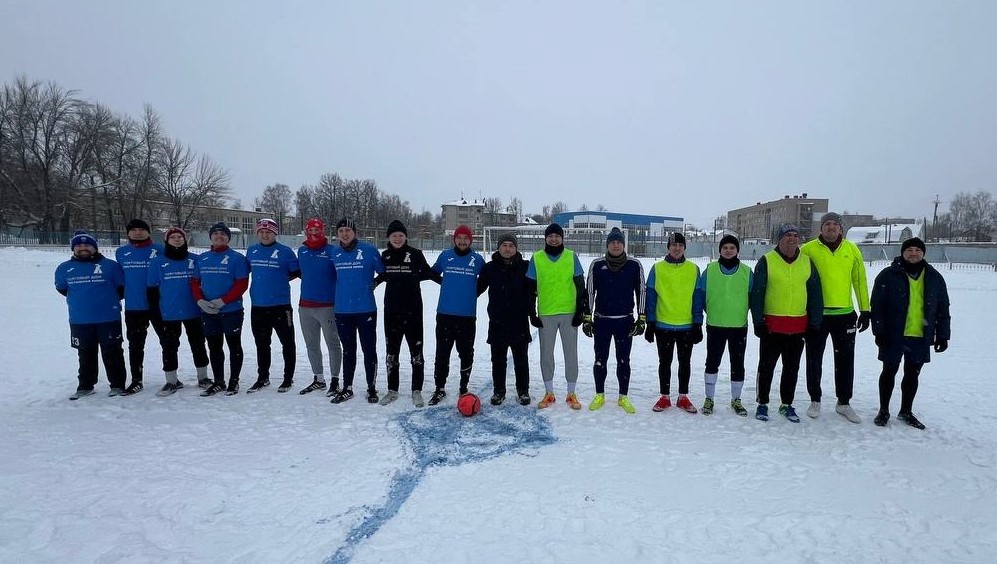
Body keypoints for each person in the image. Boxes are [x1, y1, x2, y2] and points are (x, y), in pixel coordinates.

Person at [871, 238, 951, 429]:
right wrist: (879, 331)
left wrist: (942, 334)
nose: (913, 253)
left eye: (917, 250)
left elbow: (943, 307)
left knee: (912, 375)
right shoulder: (888, 275)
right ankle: (883, 410)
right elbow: (877, 305)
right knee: (889, 371)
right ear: (903, 252)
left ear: (923, 253)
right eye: (909, 250)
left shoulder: (934, 277)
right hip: (893, 334)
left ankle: (906, 411)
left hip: (919, 335)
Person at [800, 212, 871, 423]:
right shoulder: (808, 249)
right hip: (817, 316)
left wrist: (865, 309)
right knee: (814, 358)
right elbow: (800, 281)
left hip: (844, 315)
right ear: (820, 228)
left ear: (840, 228)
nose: (831, 227)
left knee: (845, 361)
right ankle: (815, 399)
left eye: (834, 224)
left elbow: (859, 280)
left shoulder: (851, 249)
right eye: (827, 224)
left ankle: (844, 402)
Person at [750, 224, 823, 422]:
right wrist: (758, 321)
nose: (792, 239)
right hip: (772, 327)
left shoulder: (807, 262)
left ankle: (786, 404)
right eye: (787, 235)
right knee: (766, 367)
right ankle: (762, 403)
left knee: (792, 368)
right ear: (779, 239)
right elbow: (757, 294)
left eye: (795, 235)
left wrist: (815, 323)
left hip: (798, 327)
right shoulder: (767, 261)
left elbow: (815, 295)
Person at [55, 230, 127, 399]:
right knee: (85, 353)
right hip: (80, 319)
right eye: (78, 245)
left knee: (113, 352)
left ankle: (117, 385)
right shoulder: (64, 269)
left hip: (109, 318)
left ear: (94, 247)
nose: (83, 248)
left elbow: (121, 288)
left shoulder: (111, 266)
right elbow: (62, 288)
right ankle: (85, 386)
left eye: (87, 245)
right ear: (73, 248)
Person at [376, 220, 440, 407]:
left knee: (416, 353)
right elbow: (383, 275)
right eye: (394, 235)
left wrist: (447, 283)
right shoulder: (385, 256)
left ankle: (416, 390)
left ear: (405, 237)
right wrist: (372, 283)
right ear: (389, 237)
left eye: (401, 235)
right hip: (392, 312)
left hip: (413, 312)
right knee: (391, 353)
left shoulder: (416, 254)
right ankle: (392, 389)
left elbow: (427, 273)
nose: (397, 238)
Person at [582, 227, 645, 414]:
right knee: (600, 359)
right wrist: (587, 316)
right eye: (612, 242)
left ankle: (623, 396)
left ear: (623, 245)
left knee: (624, 360)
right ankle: (600, 394)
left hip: (625, 321)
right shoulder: (597, 264)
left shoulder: (634, 265)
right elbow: (590, 292)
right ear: (607, 245)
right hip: (602, 321)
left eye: (618, 242)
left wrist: (641, 318)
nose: (615, 245)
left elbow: (641, 290)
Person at [527, 223, 588, 410]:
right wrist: (532, 312)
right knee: (546, 354)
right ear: (545, 238)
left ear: (562, 238)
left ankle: (571, 393)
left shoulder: (571, 256)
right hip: (546, 313)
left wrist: (580, 311)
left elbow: (580, 286)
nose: (554, 239)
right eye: (550, 236)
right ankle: (549, 392)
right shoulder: (536, 258)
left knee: (571, 354)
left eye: (557, 236)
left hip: (569, 313)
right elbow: (530, 289)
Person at [645, 232, 704, 414]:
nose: (677, 248)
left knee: (685, 362)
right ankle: (664, 396)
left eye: (680, 245)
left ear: (684, 247)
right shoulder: (657, 268)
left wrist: (697, 323)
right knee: (665, 362)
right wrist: (650, 323)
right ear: (668, 247)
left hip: (686, 325)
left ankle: (683, 397)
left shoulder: (693, 269)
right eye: (673, 245)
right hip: (663, 325)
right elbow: (651, 298)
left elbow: (697, 298)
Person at [328, 217, 385, 404]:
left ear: (355, 232)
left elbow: (383, 272)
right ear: (337, 234)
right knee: (348, 350)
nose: (345, 234)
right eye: (341, 231)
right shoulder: (334, 253)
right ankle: (348, 387)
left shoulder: (369, 251)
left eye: (348, 230)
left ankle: (371, 387)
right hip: (343, 310)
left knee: (369, 349)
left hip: (365, 309)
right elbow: (328, 277)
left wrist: (375, 282)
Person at [147, 227, 210, 395]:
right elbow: (152, 291)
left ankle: (203, 377)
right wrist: (156, 313)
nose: (177, 239)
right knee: (169, 346)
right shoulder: (157, 263)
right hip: (169, 312)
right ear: (166, 241)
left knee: (198, 344)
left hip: (194, 311)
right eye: (173, 237)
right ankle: (171, 381)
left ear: (185, 239)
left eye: (180, 237)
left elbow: (205, 283)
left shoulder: (196, 260)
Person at [428, 225, 485, 406]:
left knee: (466, 353)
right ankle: (439, 388)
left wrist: (472, 293)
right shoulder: (445, 256)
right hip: (445, 313)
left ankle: (463, 387)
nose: (462, 241)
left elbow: (485, 280)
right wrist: (445, 283)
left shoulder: (477, 260)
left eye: (466, 238)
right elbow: (432, 272)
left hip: (467, 315)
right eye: (459, 238)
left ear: (471, 241)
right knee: (442, 353)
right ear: (454, 239)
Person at [192, 222, 250, 396]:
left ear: (228, 238)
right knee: (214, 346)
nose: (219, 236)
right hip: (208, 311)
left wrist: (223, 301)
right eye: (216, 234)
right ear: (210, 237)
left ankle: (234, 381)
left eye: (223, 234)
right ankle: (219, 381)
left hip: (231, 310)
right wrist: (200, 300)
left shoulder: (237, 258)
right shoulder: (202, 258)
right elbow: (195, 281)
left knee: (234, 345)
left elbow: (242, 283)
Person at [477, 232, 533, 406]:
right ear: (498, 247)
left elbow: (534, 291)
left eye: (511, 246)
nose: (507, 249)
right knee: (498, 360)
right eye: (504, 245)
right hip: (498, 321)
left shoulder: (525, 267)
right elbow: (476, 290)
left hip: (519, 320)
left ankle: (523, 391)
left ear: (516, 248)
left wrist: (533, 312)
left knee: (521, 359)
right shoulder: (490, 268)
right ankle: (499, 391)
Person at [246, 218, 301, 393]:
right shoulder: (252, 251)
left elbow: (297, 273)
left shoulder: (285, 252)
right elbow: (242, 272)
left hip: (281, 306)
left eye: (268, 232)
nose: (265, 235)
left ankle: (288, 378)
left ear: (275, 233)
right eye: (261, 232)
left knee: (287, 342)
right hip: (258, 306)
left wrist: (279, 281)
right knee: (262, 343)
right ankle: (263, 377)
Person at [700, 235, 753, 417]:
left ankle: (736, 399)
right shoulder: (709, 270)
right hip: (715, 325)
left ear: (737, 250)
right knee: (712, 362)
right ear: (720, 250)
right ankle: (709, 398)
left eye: (732, 247)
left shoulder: (747, 272)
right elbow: (701, 296)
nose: (728, 250)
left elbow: (753, 299)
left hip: (739, 326)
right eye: (725, 248)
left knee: (737, 363)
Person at [115, 218, 167, 394]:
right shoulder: (122, 252)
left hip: (159, 306)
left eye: (142, 229)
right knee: (135, 345)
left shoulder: (160, 250)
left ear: (148, 231)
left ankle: (171, 377)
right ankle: (137, 379)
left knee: (168, 342)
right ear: (128, 233)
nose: (138, 232)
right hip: (134, 307)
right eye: (134, 229)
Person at [296, 218, 343, 396]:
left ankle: (335, 380)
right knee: (311, 344)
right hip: (305, 306)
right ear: (306, 232)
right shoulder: (302, 251)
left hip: (328, 306)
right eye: (310, 232)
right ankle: (319, 378)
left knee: (332, 343)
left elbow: (341, 275)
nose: (313, 235)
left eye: (317, 231)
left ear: (322, 232)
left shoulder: (333, 251)